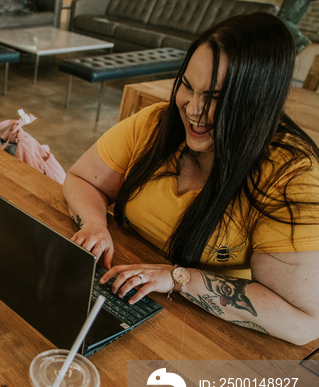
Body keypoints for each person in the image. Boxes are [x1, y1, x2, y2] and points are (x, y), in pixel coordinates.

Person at [63, 12, 319, 346]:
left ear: (257, 103)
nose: (192, 109)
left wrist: (179, 278)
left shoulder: (289, 174)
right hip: (128, 295)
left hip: (208, 339)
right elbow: (81, 178)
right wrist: (95, 224)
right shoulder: (157, 123)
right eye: (186, 85)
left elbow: (304, 323)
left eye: (214, 98)